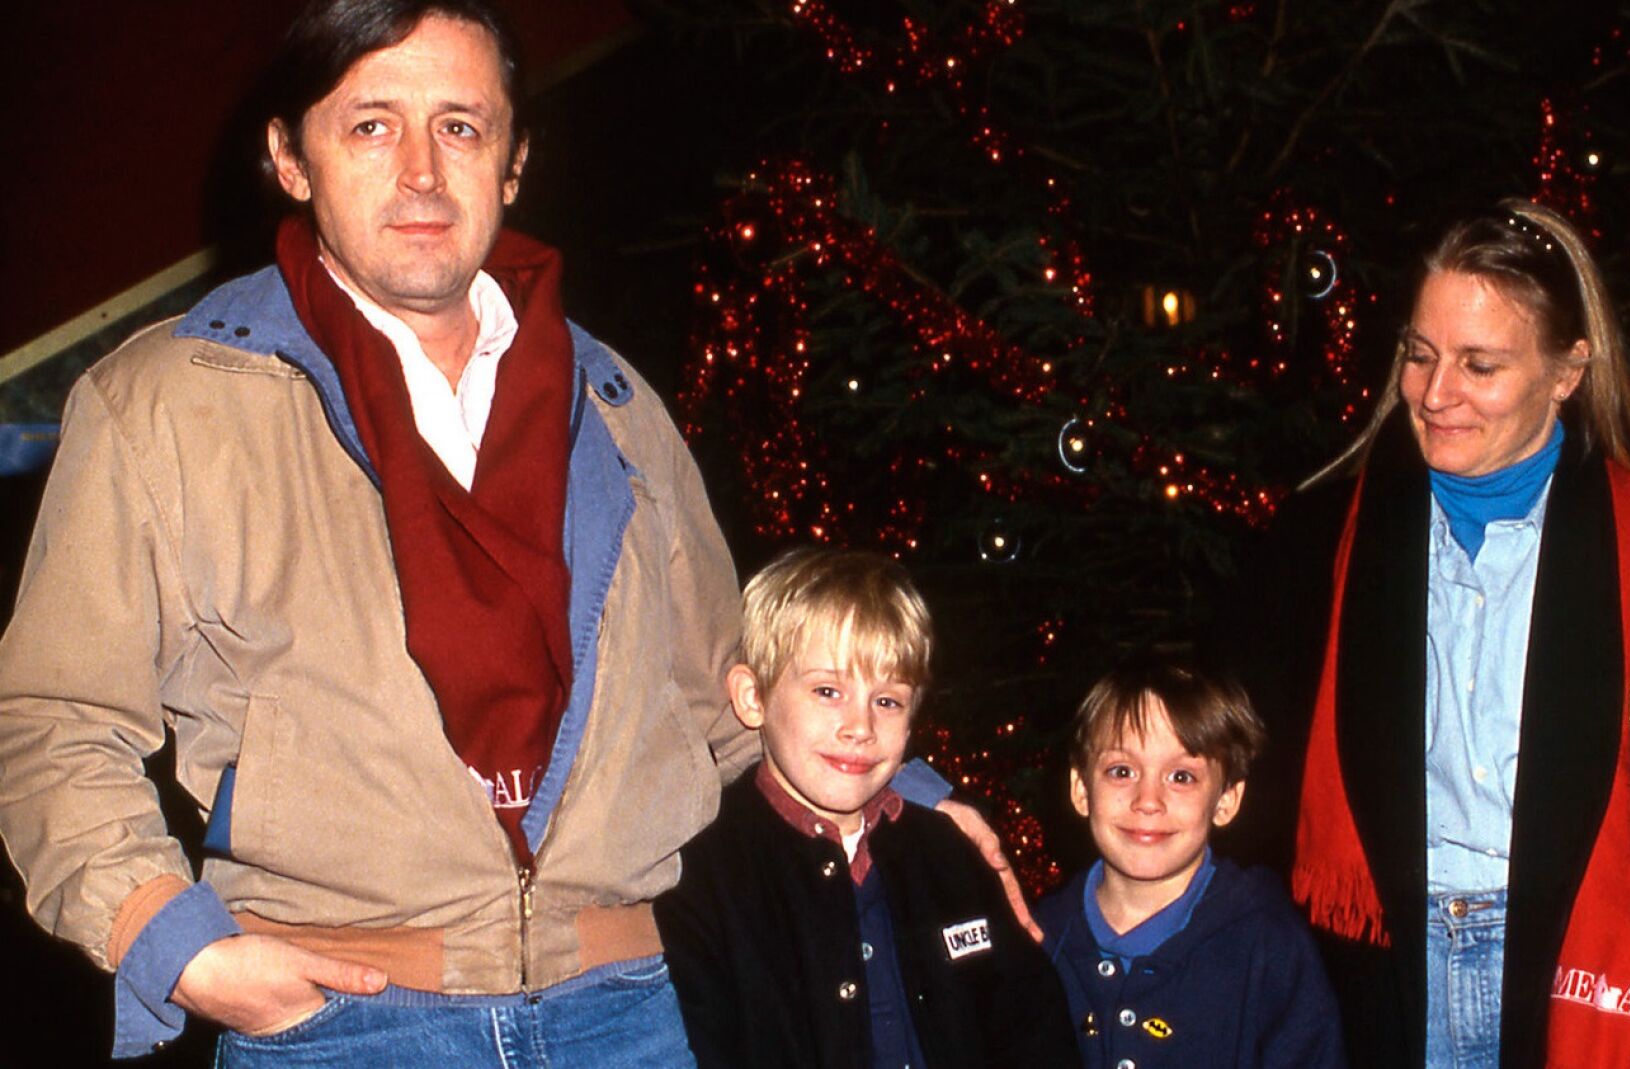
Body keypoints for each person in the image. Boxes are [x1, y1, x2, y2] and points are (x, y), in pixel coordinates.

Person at [0, 1, 1012, 1062]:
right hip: (338, 1020)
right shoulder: (163, 402)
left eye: (461, 126)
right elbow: (57, 716)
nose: (423, 172)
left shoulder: (615, 404)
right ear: (290, 159)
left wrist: (903, 796)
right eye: (371, 125)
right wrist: (170, 938)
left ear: (514, 162)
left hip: (641, 1006)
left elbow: (730, 694)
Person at [1229, 199, 1630, 1068]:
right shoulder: (1318, 540)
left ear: (1568, 370)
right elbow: (1232, 772)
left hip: (1565, 974)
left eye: (1480, 365)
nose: (1435, 393)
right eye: (1419, 354)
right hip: (1368, 976)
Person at [654, 548, 1080, 1069]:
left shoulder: (949, 854)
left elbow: (1031, 1025)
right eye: (828, 690)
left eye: (887, 701)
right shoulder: (702, 879)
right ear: (752, 696)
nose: (861, 727)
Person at [1035, 655, 1345, 1069]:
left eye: (1181, 777)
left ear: (1226, 801)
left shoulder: (1269, 945)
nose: (1148, 801)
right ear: (1081, 789)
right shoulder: (1038, 939)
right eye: (1122, 771)